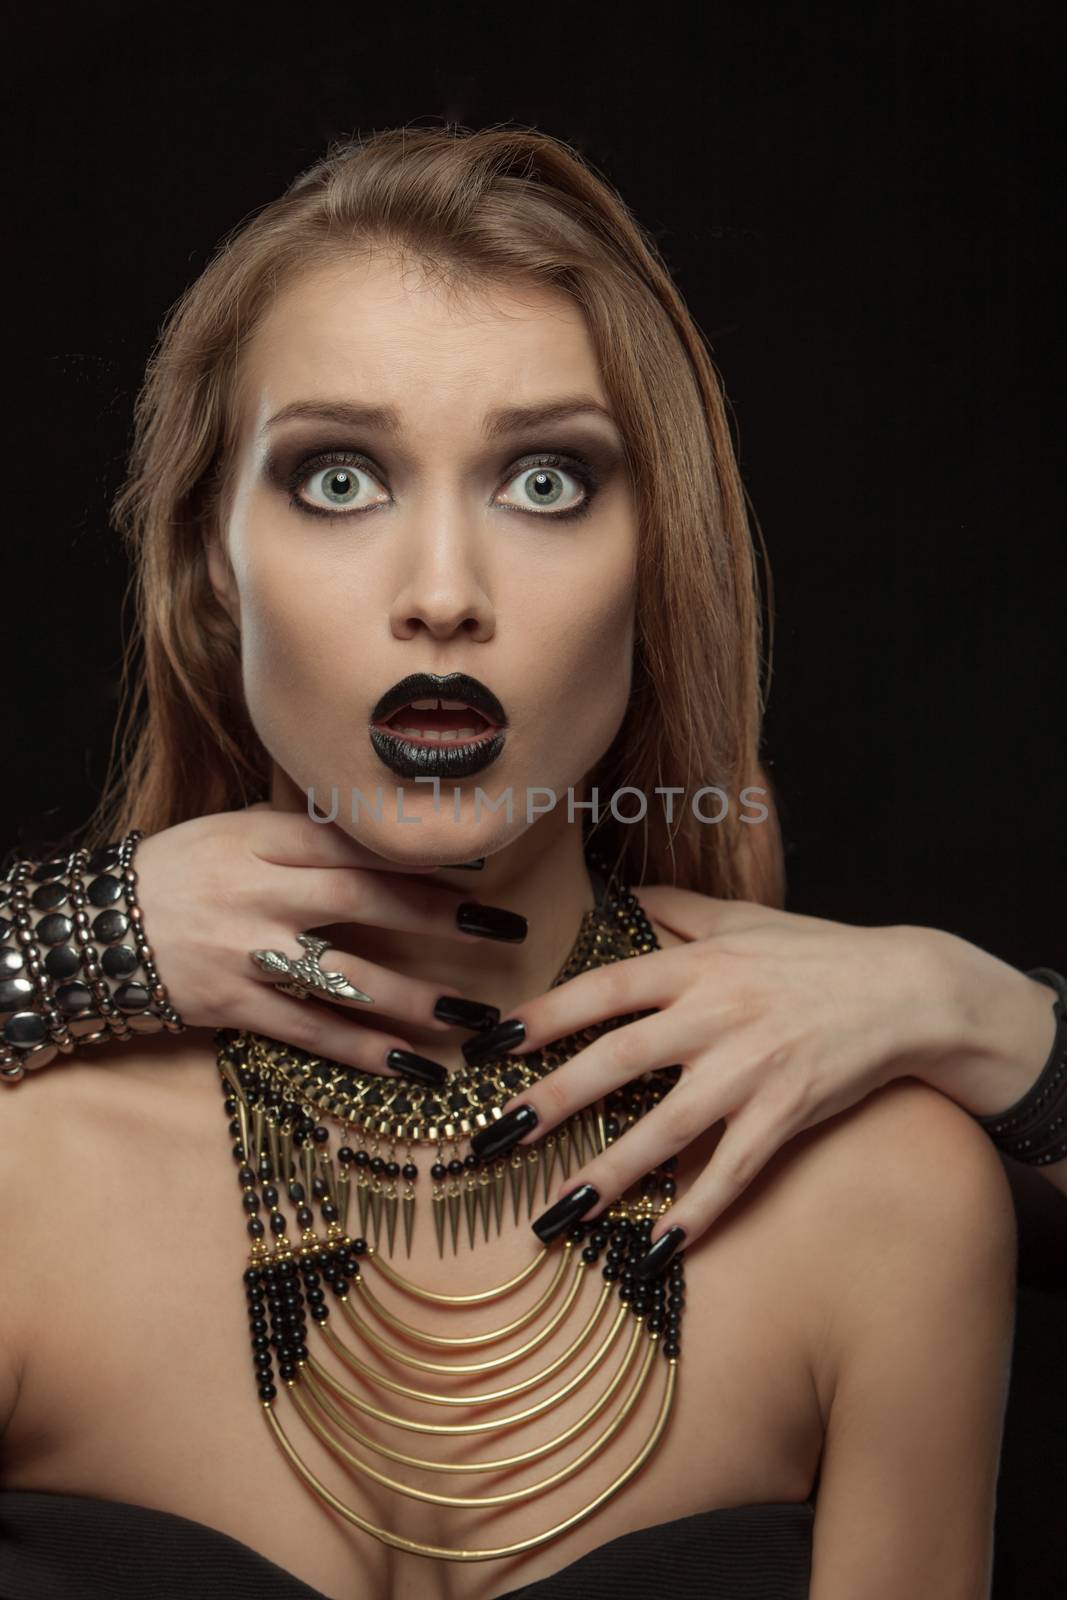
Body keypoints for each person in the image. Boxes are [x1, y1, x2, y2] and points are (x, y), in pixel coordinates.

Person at [0, 121, 1057, 1600]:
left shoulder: (881, 1201)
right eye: (338, 480)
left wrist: (988, 1014)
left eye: (547, 483)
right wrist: (47, 947)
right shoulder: (25, 1180)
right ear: (209, 573)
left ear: (657, 564)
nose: (443, 595)